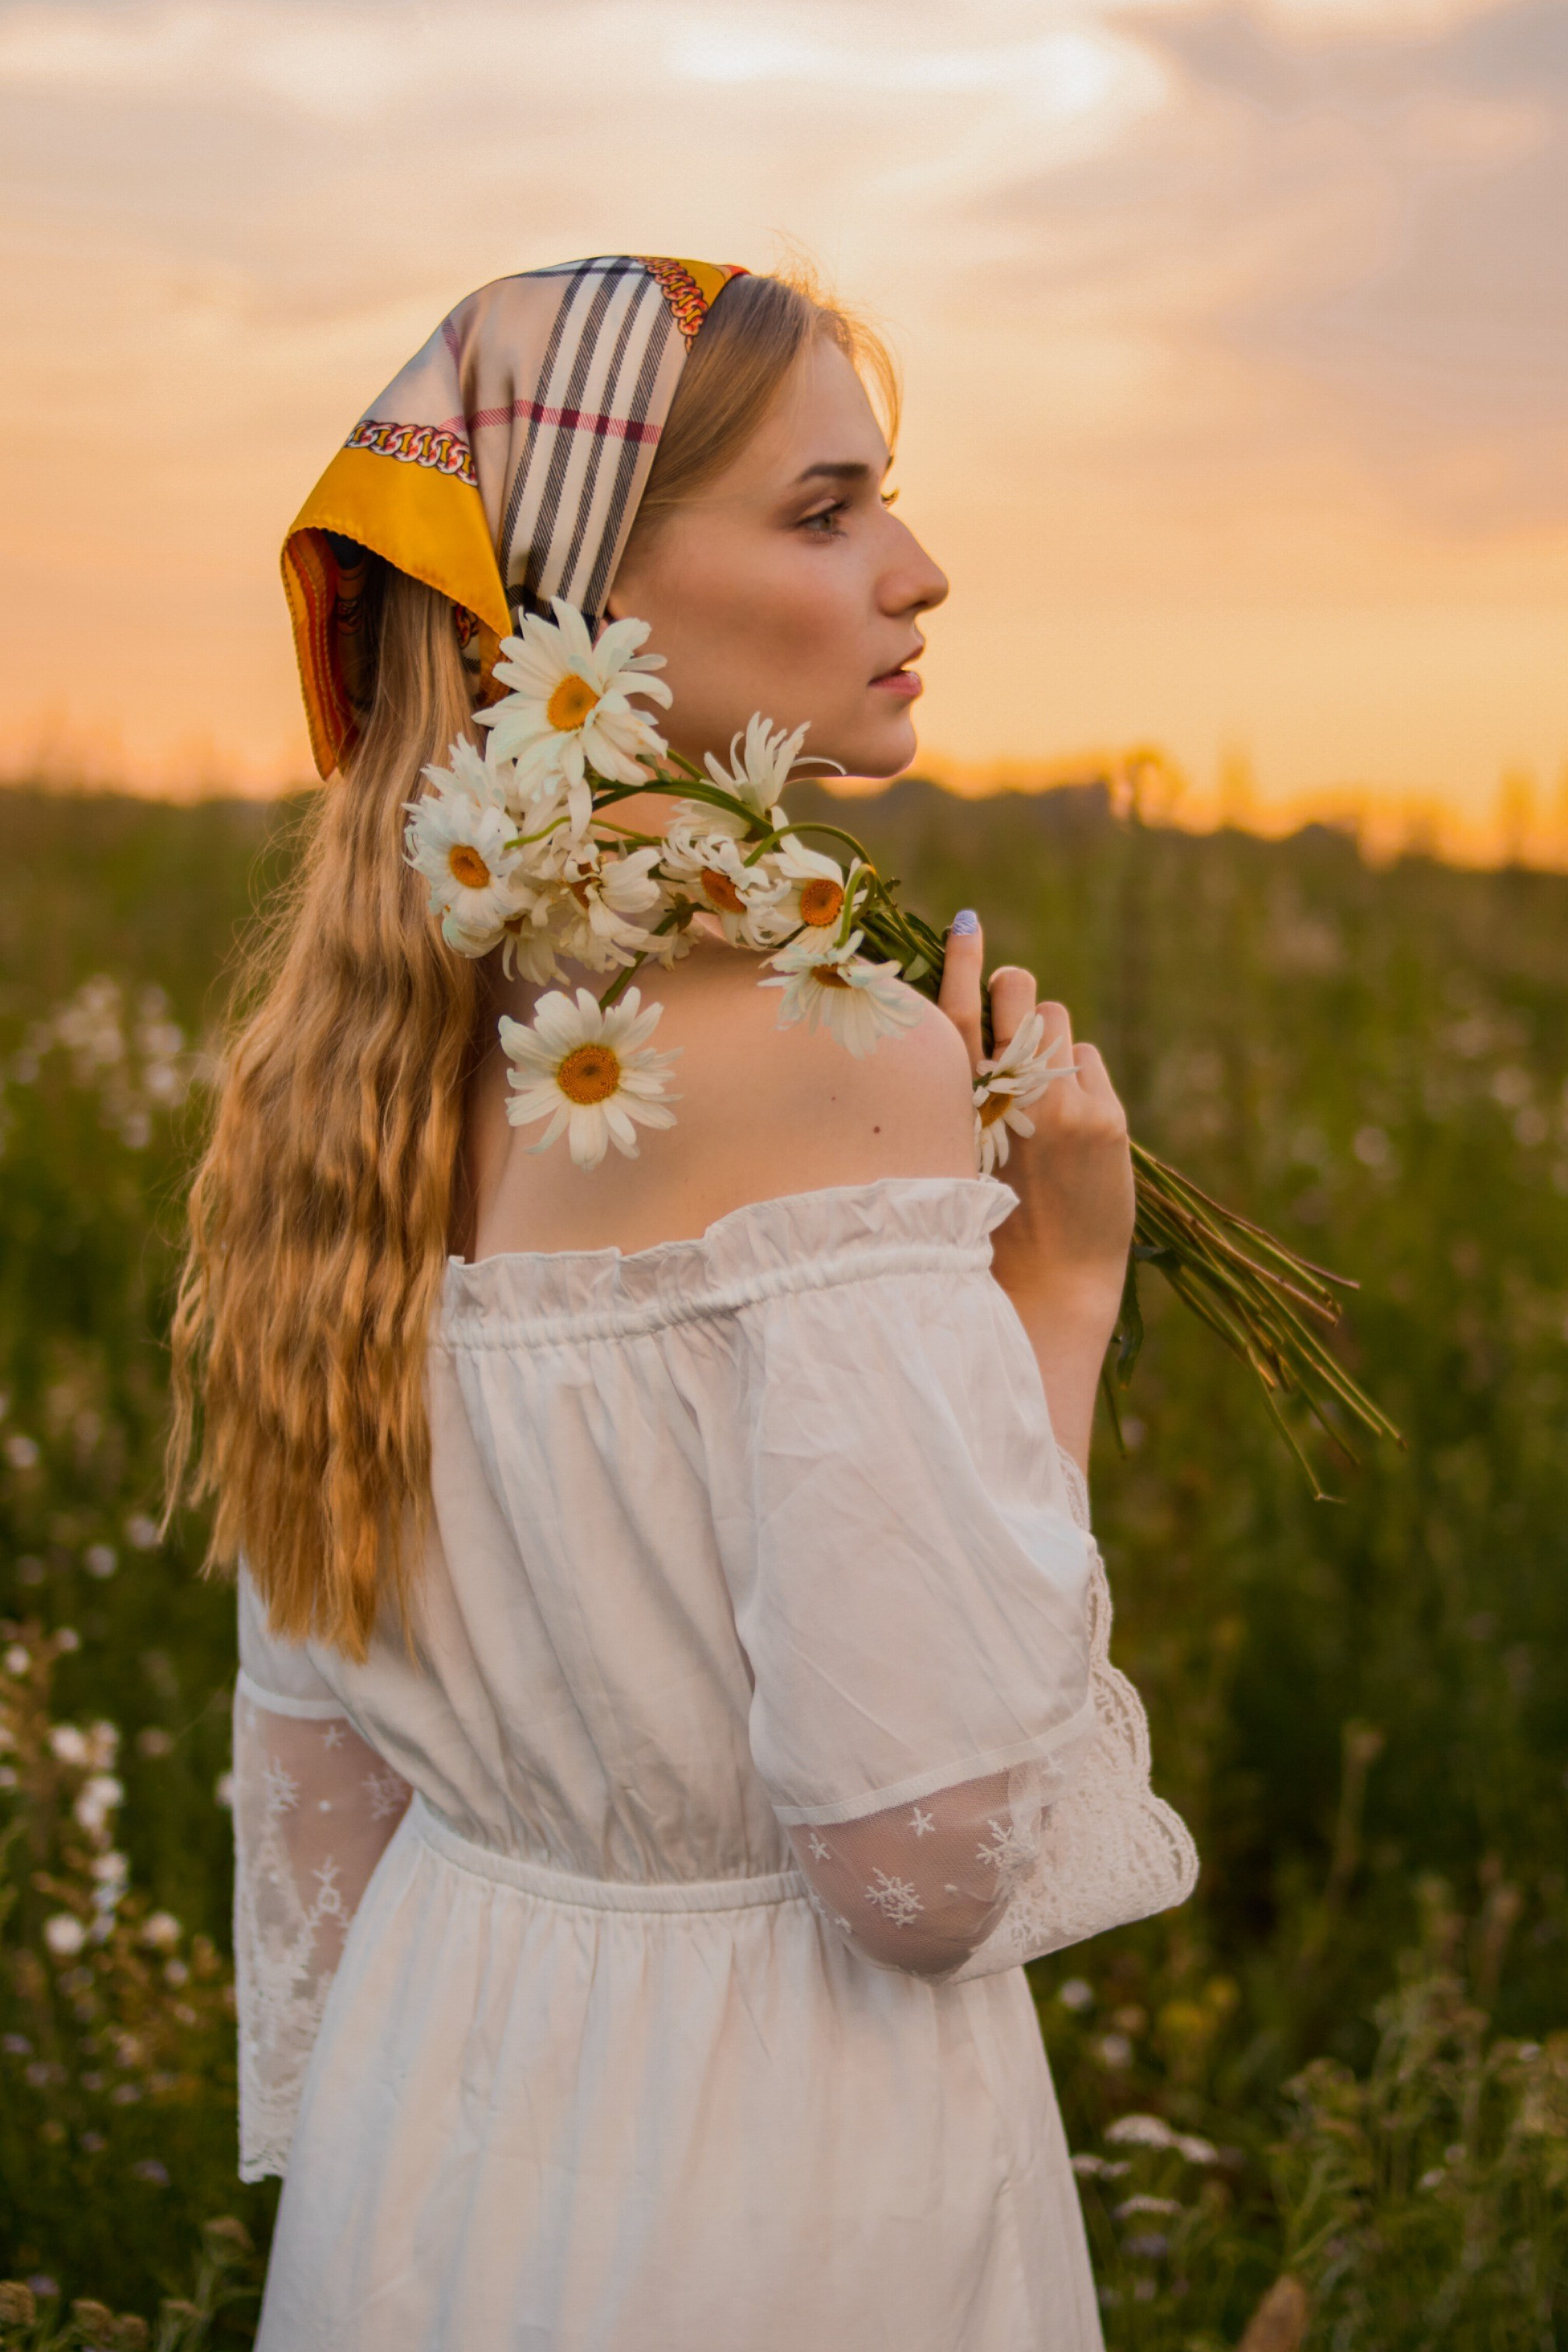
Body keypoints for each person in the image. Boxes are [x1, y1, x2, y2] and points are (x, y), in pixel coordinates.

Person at [170, 254, 1197, 2350]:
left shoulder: (344, 1068)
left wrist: (387, 2158)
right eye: (824, 512)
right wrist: (1060, 1298)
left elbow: (317, 1787)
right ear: (587, 626)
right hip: (780, 2156)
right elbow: (918, 1866)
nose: (917, 572)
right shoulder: (840, 1052)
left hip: (435, 2126)